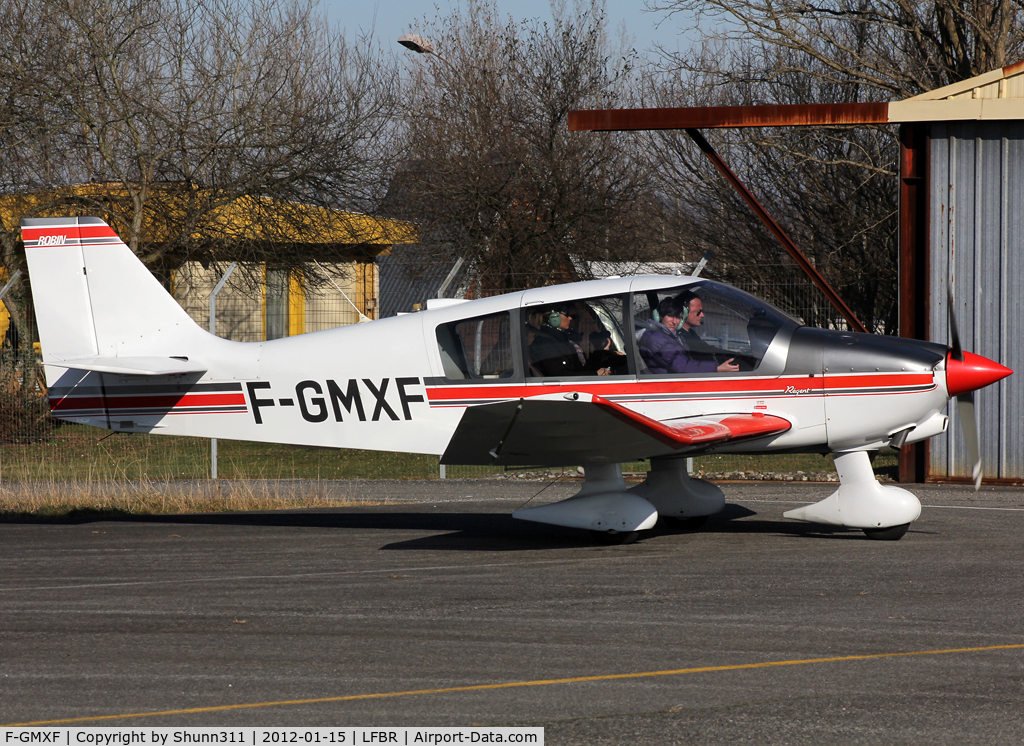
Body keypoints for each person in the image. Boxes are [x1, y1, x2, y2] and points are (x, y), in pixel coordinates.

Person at [638, 292, 739, 374]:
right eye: (670, 316)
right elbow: (683, 366)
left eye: (678, 317)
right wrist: (717, 369)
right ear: (658, 316)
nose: (674, 321)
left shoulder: (671, 336)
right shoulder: (658, 339)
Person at [529, 307, 587, 377]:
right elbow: (560, 375)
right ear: (554, 318)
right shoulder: (547, 343)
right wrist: (595, 374)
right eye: (566, 315)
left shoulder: (561, 340)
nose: (570, 318)